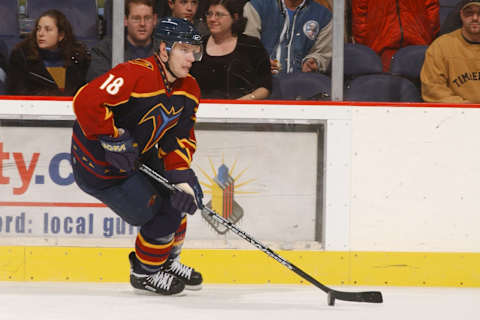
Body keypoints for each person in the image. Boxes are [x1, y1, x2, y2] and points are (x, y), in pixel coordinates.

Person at [70, 17, 205, 295]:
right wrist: (112, 138)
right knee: (160, 214)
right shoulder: (134, 73)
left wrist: (180, 176)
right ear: (164, 49)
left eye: (195, 51)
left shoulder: (189, 88)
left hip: (138, 156)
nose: (192, 57)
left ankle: (167, 260)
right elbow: (86, 101)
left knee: (182, 197)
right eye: (185, 49)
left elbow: (179, 137)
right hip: (99, 167)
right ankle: (144, 273)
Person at [190, 0, 271, 99]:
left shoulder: (252, 46)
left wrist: (240, 103)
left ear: (235, 17)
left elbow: (265, 87)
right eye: (209, 14)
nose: (212, 19)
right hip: (201, 110)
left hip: (243, 110)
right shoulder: (197, 46)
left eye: (219, 15)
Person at [6, 9, 90, 96]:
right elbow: (16, 93)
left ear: (61, 35)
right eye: (38, 29)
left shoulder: (79, 59)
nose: (40, 34)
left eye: (48, 29)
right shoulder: (22, 58)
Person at [243, 0, 333, 75]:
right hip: (261, 82)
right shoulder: (256, 7)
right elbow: (246, 47)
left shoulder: (325, 16)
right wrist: (260, 62)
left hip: (301, 84)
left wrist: (314, 61)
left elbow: (322, 53)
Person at [351, 0, 440, 71]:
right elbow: (432, 11)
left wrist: (366, 46)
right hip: (385, 49)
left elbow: (359, 18)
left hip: (382, 47)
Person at [420, 0, 480, 103]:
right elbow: (433, 89)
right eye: (469, 13)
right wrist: (467, 109)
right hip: (456, 115)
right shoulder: (440, 46)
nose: (475, 18)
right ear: (461, 15)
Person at [86, 0, 158, 81]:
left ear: (154, 20)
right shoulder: (103, 51)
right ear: (125, 20)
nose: (142, 24)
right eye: (136, 18)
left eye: (147, 18)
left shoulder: (165, 51)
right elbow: (98, 86)